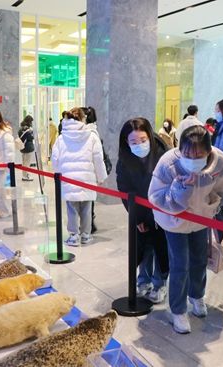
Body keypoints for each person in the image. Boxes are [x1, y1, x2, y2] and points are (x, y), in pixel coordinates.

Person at [148, 125, 223, 334]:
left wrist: (210, 205)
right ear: (180, 149)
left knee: (200, 260)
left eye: (199, 154)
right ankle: (178, 309)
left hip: (201, 220)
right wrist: (181, 188)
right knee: (180, 264)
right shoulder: (168, 162)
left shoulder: (218, 161)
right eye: (187, 153)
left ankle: (197, 296)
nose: (192, 158)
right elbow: (155, 196)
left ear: (208, 151)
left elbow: (222, 188)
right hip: (174, 223)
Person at [117, 118, 170, 304]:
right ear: (126, 142)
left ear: (149, 136)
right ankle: (143, 281)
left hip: (162, 210)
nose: (139, 145)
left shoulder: (163, 154)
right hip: (139, 211)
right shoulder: (125, 159)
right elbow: (124, 189)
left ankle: (160, 283)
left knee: (160, 248)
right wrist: (136, 217)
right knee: (143, 247)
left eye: (142, 140)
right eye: (133, 142)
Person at [51, 107, 108, 246]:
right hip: (86, 179)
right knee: (87, 208)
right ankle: (86, 235)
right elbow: (98, 159)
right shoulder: (92, 136)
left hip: (68, 179)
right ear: (83, 119)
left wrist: (58, 174)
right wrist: (101, 177)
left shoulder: (61, 137)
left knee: (72, 209)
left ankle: (73, 236)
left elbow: (55, 159)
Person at [81, 106, 111, 234]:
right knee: (88, 200)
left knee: (86, 201)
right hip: (88, 172)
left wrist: (101, 176)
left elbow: (98, 157)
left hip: (88, 172)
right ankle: (88, 224)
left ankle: (88, 226)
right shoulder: (93, 131)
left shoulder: (89, 133)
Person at [19, 115, 35, 181]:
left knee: (24, 162)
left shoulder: (21, 128)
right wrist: (31, 134)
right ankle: (26, 176)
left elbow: (20, 135)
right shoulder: (28, 129)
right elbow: (31, 137)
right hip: (28, 147)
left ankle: (24, 175)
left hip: (22, 147)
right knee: (27, 163)